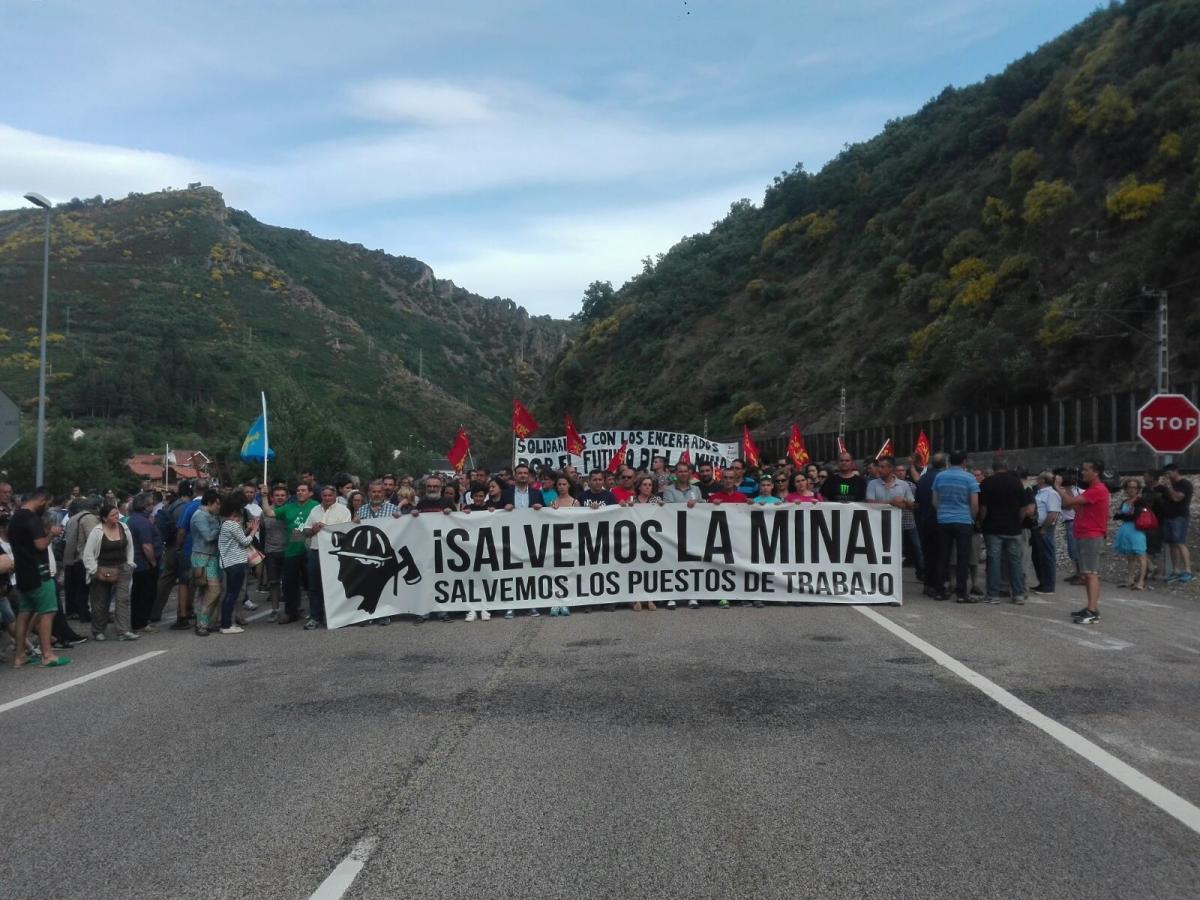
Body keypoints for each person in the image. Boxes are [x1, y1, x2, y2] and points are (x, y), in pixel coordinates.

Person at [9, 487, 70, 668]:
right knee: (47, 612)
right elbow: (41, 545)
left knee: (24, 614)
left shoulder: (15, 517)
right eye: (48, 504)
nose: (47, 507)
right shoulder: (31, 518)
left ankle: (20, 655)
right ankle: (47, 655)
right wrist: (52, 533)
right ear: (41, 499)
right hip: (39, 572)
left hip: (22, 572)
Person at [1056, 459, 1110, 625]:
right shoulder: (1092, 490)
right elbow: (1072, 505)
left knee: (1091, 573)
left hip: (1091, 535)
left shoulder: (1098, 489)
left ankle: (1092, 611)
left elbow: (1070, 502)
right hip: (1085, 534)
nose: (1082, 473)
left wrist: (1059, 488)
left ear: (1096, 472)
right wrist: (1069, 490)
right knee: (1087, 573)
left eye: (1086, 470)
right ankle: (1090, 607)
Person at [82, 502, 138, 641]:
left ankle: (123, 631)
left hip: (122, 567)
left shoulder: (123, 527)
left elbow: (130, 547)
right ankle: (98, 630)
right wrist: (94, 570)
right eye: (113, 515)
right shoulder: (97, 532)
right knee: (101, 601)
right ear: (104, 518)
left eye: (117, 513)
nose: (116, 516)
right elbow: (88, 554)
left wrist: (130, 563)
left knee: (122, 600)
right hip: (102, 569)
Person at [262, 483, 316, 625]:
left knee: (311, 583)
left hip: (310, 549)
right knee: (289, 584)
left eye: (303, 490)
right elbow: (268, 513)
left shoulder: (316, 506)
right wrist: (263, 496)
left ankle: (316, 612)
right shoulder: (289, 507)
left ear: (310, 493)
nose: (300, 492)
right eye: (298, 490)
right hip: (291, 550)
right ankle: (291, 613)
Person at [978, 459, 1031, 605]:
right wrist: (1018, 521)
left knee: (994, 561)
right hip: (1013, 528)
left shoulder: (987, 483)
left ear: (993, 468)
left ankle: (993, 594)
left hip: (993, 527)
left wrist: (982, 522)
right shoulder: (1016, 482)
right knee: (1015, 561)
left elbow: (983, 508)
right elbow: (1023, 508)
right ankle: (1018, 594)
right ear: (1007, 467)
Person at [301, 486, 352, 629]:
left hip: (335, 554)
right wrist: (313, 529)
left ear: (335, 495)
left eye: (330, 495)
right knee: (314, 586)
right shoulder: (315, 510)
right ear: (321, 496)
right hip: (315, 551)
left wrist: (326, 527)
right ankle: (316, 617)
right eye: (325, 495)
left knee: (337, 585)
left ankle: (338, 617)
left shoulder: (343, 511)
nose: (327, 498)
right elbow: (305, 531)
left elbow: (346, 532)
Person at [932, 450, 979, 603]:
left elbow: (934, 501)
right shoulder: (970, 478)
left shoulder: (940, 476)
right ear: (964, 462)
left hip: (944, 520)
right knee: (963, 557)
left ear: (949, 461)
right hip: (963, 520)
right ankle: (961, 593)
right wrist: (971, 518)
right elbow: (974, 503)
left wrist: (942, 513)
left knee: (942, 556)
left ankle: (939, 591)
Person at [866, 456, 918, 575]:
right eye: (878, 466)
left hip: (899, 525)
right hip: (878, 525)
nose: (879, 469)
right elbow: (870, 504)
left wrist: (905, 502)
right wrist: (891, 503)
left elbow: (913, 505)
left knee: (901, 552)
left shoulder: (904, 485)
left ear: (891, 469)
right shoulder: (872, 484)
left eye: (882, 467)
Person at [661, 461, 701, 610]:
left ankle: (692, 596)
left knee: (692, 564)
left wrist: (699, 503)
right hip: (674, 533)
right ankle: (672, 597)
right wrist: (686, 505)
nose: (683, 474)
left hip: (692, 532)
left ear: (690, 473)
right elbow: (670, 508)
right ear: (675, 474)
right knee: (672, 564)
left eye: (686, 471)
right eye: (680, 471)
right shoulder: (668, 490)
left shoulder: (696, 490)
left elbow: (703, 506)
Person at [216, 494, 258, 634]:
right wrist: (253, 530)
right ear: (234, 512)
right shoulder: (232, 525)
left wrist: (247, 530)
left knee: (230, 593)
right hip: (236, 562)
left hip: (229, 563)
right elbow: (245, 542)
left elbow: (237, 539)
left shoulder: (225, 524)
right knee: (232, 594)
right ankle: (226, 625)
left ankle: (226, 623)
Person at [188, 490, 223, 636]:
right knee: (210, 590)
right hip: (201, 556)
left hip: (210, 555)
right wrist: (221, 527)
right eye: (217, 504)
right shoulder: (199, 516)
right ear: (210, 502)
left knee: (207, 591)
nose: (219, 507)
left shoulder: (211, 515)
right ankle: (202, 622)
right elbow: (208, 536)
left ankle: (206, 622)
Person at [126, 492, 162, 631]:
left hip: (137, 563)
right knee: (146, 593)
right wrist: (153, 562)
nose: (153, 506)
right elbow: (147, 545)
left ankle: (137, 621)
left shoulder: (133, 519)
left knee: (138, 593)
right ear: (145, 506)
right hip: (145, 564)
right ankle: (142, 622)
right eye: (151, 503)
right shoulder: (142, 522)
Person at [1112, 479, 1148, 591]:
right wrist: (1124, 515)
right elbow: (1121, 515)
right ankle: (1130, 579)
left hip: (1136, 530)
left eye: (1134, 487)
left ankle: (1141, 581)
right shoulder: (1125, 501)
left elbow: (1134, 516)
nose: (1131, 489)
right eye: (1129, 487)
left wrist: (1122, 515)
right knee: (1130, 556)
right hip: (1126, 529)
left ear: (1138, 489)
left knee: (1141, 555)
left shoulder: (1140, 501)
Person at [1160, 464, 1193, 583]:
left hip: (1180, 517)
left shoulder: (1185, 484)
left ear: (1176, 471)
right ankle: (1176, 570)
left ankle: (1188, 570)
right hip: (1168, 517)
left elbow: (1177, 498)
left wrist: (1168, 486)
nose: (1167, 476)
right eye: (1165, 474)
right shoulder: (1169, 485)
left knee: (1180, 542)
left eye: (1168, 473)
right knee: (1171, 544)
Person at [1030, 471, 1061, 595]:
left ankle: (1048, 585)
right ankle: (1042, 582)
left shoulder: (1051, 494)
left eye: (1038, 477)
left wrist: (1043, 528)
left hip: (1044, 528)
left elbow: (1052, 514)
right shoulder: (1040, 493)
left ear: (1043, 480)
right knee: (1038, 556)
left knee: (1046, 556)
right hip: (1037, 527)